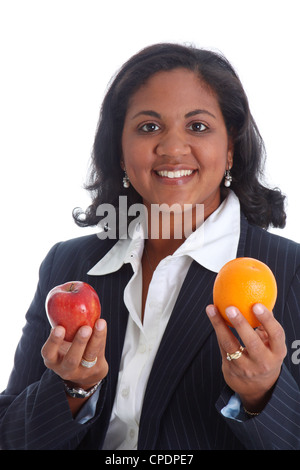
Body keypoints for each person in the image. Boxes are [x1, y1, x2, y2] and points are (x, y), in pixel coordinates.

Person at [1, 43, 300, 451]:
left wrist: (261, 395)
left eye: (197, 126)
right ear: (121, 154)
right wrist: (72, 390)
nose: (172, 148)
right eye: (148, 127)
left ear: (230, 147)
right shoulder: (68, 264)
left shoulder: (292, 271)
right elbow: (10, 435)